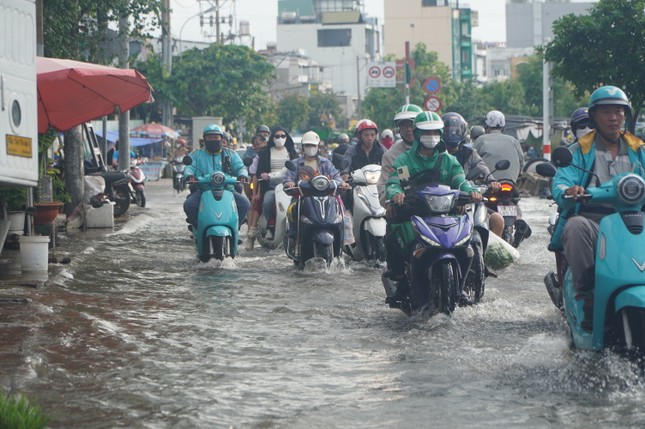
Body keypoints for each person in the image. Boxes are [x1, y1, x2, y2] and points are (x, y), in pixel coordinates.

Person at [551, 85, 645, 331]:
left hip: (637, 220)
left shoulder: (639, 149)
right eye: (606, 112)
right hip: (594, 221)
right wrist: (569, 191)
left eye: (618, 112)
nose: (613, 118)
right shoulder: (579, 150)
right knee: (575, 226)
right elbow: (561, 182)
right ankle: (588, 296)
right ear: (594, 116)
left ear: (625, 115)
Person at [384, 111, 482, 306]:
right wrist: (396, 193)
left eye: (435, 132)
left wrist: (471, 192)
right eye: (427, 133)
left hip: (448, 214)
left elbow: (460, 181)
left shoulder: (449, 160)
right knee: (391, 234)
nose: (432, 137)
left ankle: (461, 287)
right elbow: (395, 182)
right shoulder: (404, 161)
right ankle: (401, 281)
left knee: (471, 246)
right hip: (415, 213)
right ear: (418, 135)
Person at [283, 131, 349, 254]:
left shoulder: (326, 163)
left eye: (313, 145)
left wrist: (342, 183)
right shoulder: (295, 164)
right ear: (303, 146)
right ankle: (293, 240)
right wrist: (289, 184)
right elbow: (288, 179)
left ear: (318, 146)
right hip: (302, 199)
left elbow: (336, 176)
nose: (310, 148)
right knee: (292, 211)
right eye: (308, 145)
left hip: (325, 199)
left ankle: (342, 244)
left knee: (340, 216)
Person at [442, 112, 504, 237]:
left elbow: (482, 166)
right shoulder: (436, 153)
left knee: (497, 220)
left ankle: (489, 255)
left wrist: (491, 181)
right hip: (441, 202)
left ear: (463, 131)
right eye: (449, 130)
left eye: (457, 130)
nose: (453, 134)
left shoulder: (470, 153)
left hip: (469, 197)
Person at [183, 124, 249, 233]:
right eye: (209, 138)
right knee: (189, 205)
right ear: (204, 140)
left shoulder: (231, 154)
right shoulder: (196, 154)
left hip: (228, 190)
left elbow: (240, 167)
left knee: (244, 203)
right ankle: (199, 228)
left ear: (221, 139)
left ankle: (235, 229)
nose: (213, 140)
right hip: (203, 190)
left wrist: (242, 175)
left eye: (216, 137)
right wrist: (189, 175)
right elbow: (189, 167)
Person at [245, 126, 298, 250]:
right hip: (270, 186)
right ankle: (267, 227)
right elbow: (258, 172)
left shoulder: (291, 152)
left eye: (283, 136)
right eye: (277, 136)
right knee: (267, 201)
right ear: (272, 138)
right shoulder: (265, 153)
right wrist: (263, 174)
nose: (280, 139)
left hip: (289, 185)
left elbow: (297, 168)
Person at [377, 104, 423, 206]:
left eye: (412, 124)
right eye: (404, 125)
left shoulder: (439, 150)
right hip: (406, 209)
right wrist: (394, 196)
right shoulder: (391, 156)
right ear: (399, 129)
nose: (409, 129)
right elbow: (383, 189)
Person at [341, 119, 387, 211]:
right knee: (345, 194)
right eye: (366, 135)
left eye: (372, 135)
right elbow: (346, 161)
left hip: (379, 184)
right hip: (358, 185)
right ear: (360, 136)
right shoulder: (352, 150)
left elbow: (389, 160)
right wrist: (345, 173)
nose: (370, 138)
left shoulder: (381, 148)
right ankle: (348, 218)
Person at [473, 110, 524, 183]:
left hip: (487, 184)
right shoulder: (514, 141)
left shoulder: (481, 140)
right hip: (510, 183)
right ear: (503, 127)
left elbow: (470, 160)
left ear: (486, 126)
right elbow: (521, 162)